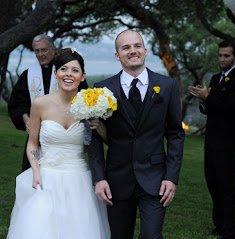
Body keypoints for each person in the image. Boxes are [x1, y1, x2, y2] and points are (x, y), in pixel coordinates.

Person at [88, 29, 185, 239]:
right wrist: (99, 178)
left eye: (137, 46)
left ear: (145, 50)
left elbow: (176, 134)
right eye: (126, 47)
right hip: (117, 179)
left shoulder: (167, 86)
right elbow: (94, 138)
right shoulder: (102, 89)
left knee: (152, 236)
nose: (132, 51)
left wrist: (171, 177)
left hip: (156, 179)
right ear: (117, 55)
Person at [6, 48, 110, 239]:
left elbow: (108, 141)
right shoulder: (40, 104)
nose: (68, 74)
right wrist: (37, 170)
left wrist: (98, 125)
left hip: (79, 180)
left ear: (82, 75)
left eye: (75, 70)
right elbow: (33, 145)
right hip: (46, 176)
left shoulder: (91, 104)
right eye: (63, 69)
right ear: (56, 73)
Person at [8, 34, 88, 171]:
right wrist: (27, 119)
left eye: (44, 50)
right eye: (37, 51)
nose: (40, 54)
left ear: (53, 49)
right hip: (38, 137)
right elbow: (17, 102)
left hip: (63, 135)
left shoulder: (66, 71)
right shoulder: (28, 75)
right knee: (35, 172)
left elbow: (83, 96)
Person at [188, 40, 235, 239]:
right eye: (220, 55)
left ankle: (231, 228)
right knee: (213, 182)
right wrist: (203, 100)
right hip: (211, 139)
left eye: (227, 56)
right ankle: (220, 224)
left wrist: (208, 96)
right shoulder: (216, 78)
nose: (222, 59)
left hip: (228, 140)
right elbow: (212, 109)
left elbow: (233, 107)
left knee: (227, 184)